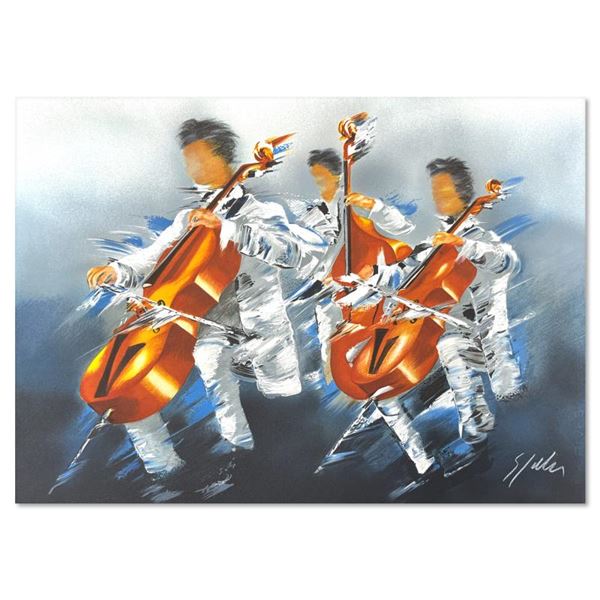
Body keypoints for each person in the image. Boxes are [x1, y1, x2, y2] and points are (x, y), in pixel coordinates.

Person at [86, 118, 325, 475]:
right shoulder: (189, 219)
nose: (192, 168)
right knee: (208, 372)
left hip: (260, 330)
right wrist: (118, 271)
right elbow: (152, 258)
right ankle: (226, 458)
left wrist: (227, 228)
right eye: (188, 161)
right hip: (204, 325)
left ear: (223, 158)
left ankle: (278, 466)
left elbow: (292, 254)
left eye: (199, 158)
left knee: (286, 412)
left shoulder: (262, 213)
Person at [357, 157, 523, 475]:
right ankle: (443, 454)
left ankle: (479, 445)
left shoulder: (479, 240)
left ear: (463, 194)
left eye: (443, 190)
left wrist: (464, 245)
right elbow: (405, 273)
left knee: (463, 364)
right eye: (435, 190)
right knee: (435, 362)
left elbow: (507, 262)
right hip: (442, 331)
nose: (437, 197)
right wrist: (374, 277)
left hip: (482, 333)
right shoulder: (432, 245)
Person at [298, 148, 415, 377]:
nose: (320, 184)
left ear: (338, 175)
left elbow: (403, 228)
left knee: (366, 343)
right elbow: (313, 252)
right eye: (316, 179)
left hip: (368, 284)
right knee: (330, 344)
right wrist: (321, 274)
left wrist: (373, 206)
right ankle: (335, 380)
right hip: (333, 290)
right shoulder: (312, 215)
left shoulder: (355, 201)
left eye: (323, 178)